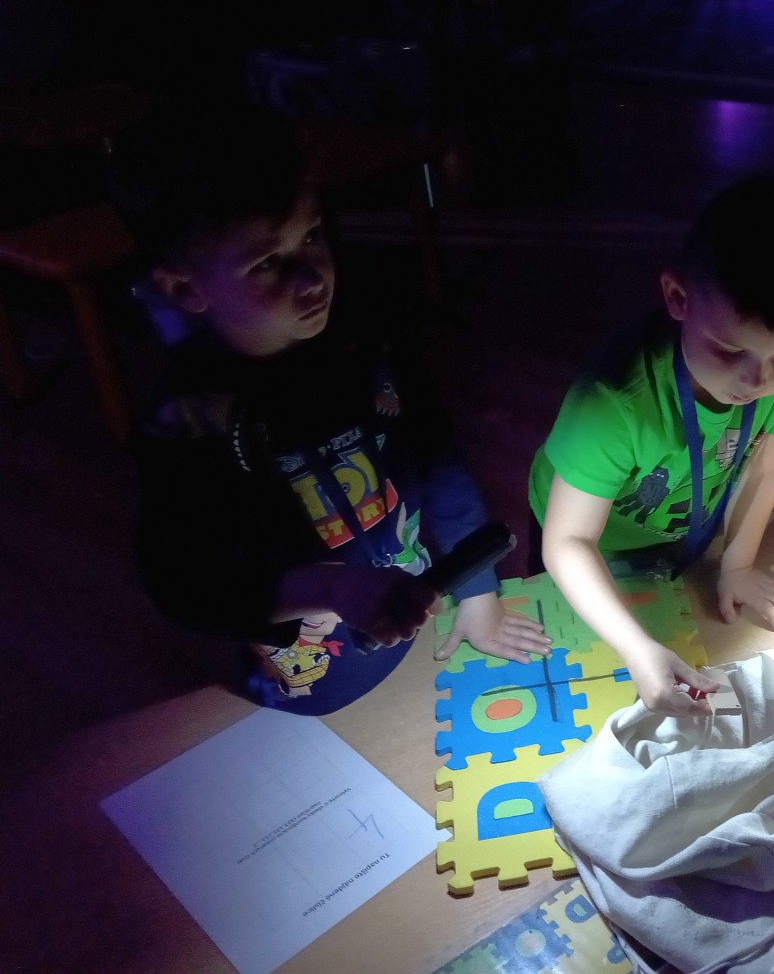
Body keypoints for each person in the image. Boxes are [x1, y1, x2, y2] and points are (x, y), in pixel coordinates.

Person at [127, 108, 550, 716]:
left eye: (313, 235)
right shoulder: (187, 422)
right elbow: (185, 585)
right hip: (311, 678)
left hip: (414, 622)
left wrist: (478, 593)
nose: (314, 279)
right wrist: (326, 585)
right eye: (266, 263)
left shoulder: (368, 343)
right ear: (184, 289)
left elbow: (439, 459)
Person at [529, 176, 774, 716]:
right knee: (576, 674)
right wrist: (636, 648)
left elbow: (766, 468)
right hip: (582, 536)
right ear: (677, 298)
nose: (756, 380)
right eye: (728, 350)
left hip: (677, 531)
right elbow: (568, 541)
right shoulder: (612, 400)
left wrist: (738, 565)